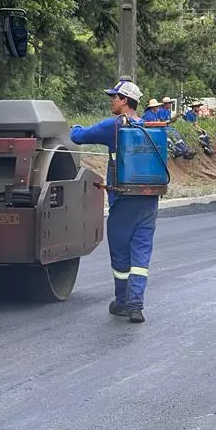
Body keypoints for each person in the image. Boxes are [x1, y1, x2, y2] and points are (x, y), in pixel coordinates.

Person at [70, 80, 157, 324]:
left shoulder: (114, 127)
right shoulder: (148, 128)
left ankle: (121, 302)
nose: (111, 100)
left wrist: (72, 127)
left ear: (125, 101)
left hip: (123, 200)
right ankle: (136, 305)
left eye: (115, 96)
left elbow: (80, 136)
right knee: (141, 253)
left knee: (120, 253)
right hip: (149, 200)